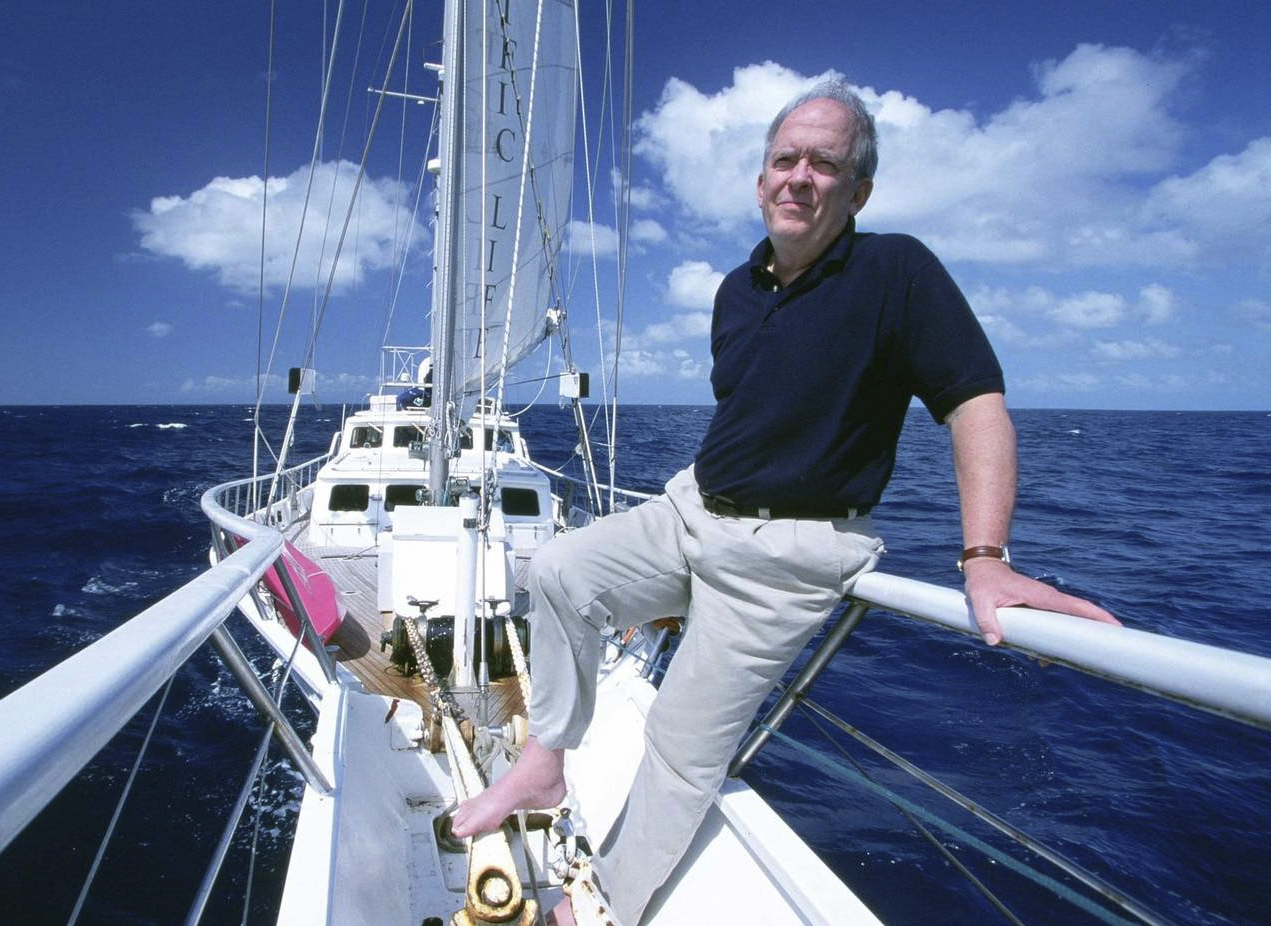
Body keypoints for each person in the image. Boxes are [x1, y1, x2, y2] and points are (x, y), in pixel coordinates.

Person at [452, 79, 1120, 924]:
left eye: (824, 163)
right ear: (762, 177)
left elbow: (976, 404)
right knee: (556, 569)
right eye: (785, 159)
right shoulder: (738, 289)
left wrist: (985, 559)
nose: (800, 175)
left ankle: (598, 906)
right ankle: (544, 757)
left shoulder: (897, 271)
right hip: (689, 512)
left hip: (784, 557)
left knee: (678, 750)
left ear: (858, 190)